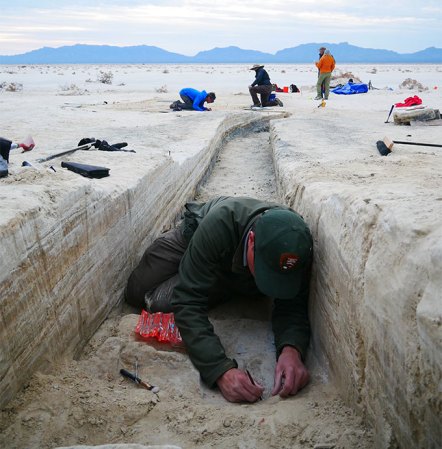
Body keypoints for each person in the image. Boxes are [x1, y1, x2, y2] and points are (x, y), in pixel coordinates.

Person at [125, 196, 313, 403]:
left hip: (228, 266)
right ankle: (201, 270)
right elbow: (188, 301)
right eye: (264, 272)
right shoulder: (221, 223)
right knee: (137, 291)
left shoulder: (297, 246)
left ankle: (215, 278)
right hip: (197, 235)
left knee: (161, 304)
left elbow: (293, 303)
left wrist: (291, 348)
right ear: (251, 241)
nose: (269, 284)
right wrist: (220, 370)